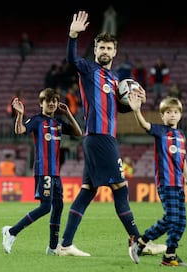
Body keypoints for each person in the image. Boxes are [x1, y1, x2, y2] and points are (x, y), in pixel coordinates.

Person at [57, 11, 146, 263]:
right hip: (99, 136)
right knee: (120, 187)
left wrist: (134, 104)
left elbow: (119, 106)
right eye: (100, 46)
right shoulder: (88, 68)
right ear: (95, 50)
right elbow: (71, 59)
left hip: (102, 137)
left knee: (87, 190)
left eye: (109, 47)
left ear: (115, 52)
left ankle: (65, 244)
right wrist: (73, 35)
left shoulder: (115, 78)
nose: (105, 50)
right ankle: (137, 240)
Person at [1, 88, 83, 255]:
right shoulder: (38, 121)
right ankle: (11, 232)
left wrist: (67, 114)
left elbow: (78, 133)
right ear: (41, 104)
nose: (52, 103)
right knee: (46, 207)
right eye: (48, 101)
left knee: (58, 207)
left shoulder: (59, 123)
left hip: (55, 173)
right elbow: (19, 130)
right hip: (43, 170)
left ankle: (53, 248)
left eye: (54, 100)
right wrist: (19, 115)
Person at [128, 94, 187, 267]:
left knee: (181, 221)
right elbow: (144, 125)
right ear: (162, 115)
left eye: (175, 112)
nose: (172, 115)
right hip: (166, 182)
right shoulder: (160, 131)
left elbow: (183, 159)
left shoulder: (181, 135)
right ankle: (141, 242)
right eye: (168, 112)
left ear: (180, 114)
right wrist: (137, 110)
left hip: (179, 183)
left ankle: (169, 256)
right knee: (172, 218)